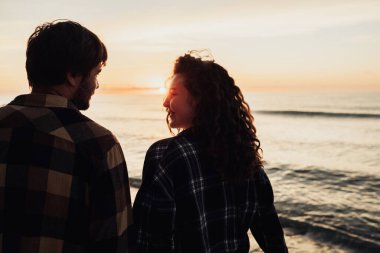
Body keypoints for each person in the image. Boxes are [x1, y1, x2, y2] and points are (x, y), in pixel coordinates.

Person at [133, 51, 288, 252]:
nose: (164, 102)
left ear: (199, 99)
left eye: (173, 94)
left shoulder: (165, 154)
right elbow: (271, 235)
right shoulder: (245, 156)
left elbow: (151, 240)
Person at [0, 20, 133, 252]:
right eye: (95, 74)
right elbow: (114, 243)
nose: (96, 85)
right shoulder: (98, 145)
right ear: (72, 75)